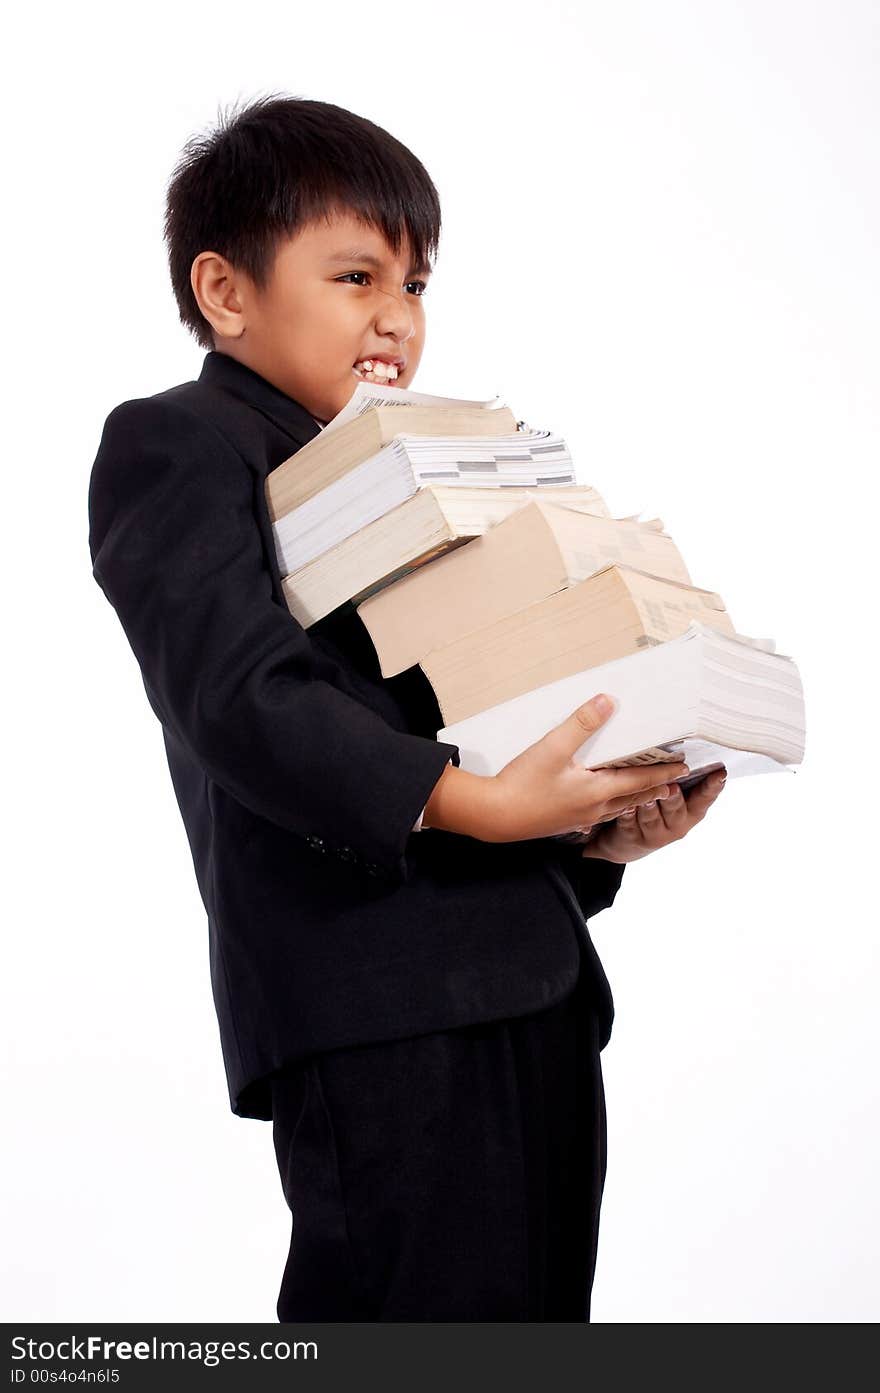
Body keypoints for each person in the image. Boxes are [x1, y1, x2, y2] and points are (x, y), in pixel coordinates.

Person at [87, 93, 725, 1322]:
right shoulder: (178, 443)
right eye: (355, 274)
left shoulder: (412, 464)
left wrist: (589, 827)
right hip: (373, 1004)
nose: (396, 316)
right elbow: (239, 692)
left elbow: (463, 707)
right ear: (227, 293)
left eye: (416, 283)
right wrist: (474, 803)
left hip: (533, 988)